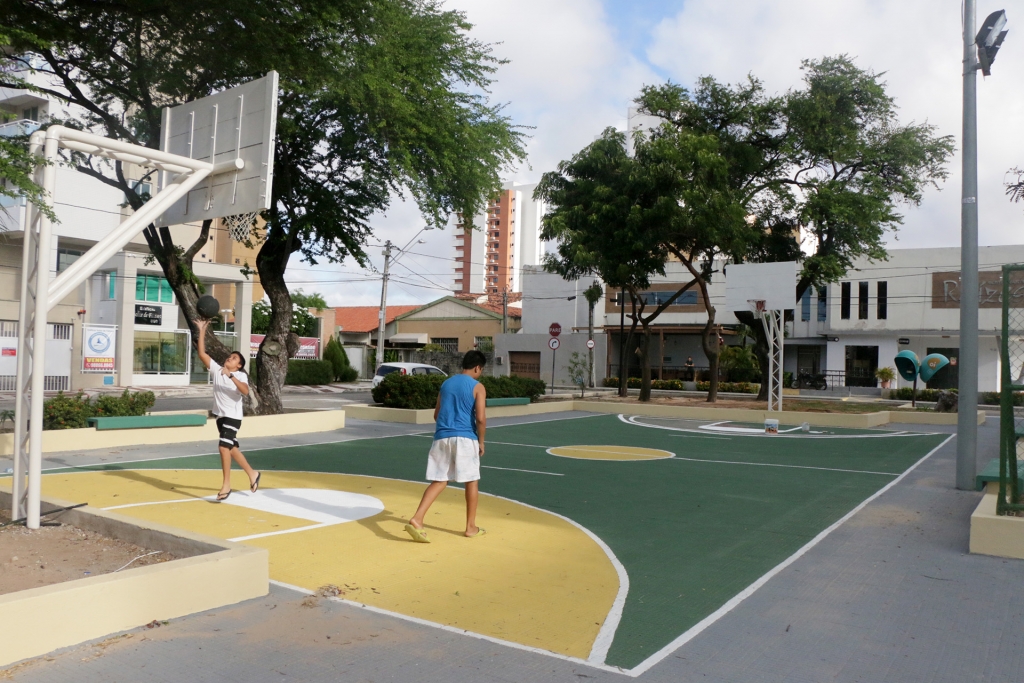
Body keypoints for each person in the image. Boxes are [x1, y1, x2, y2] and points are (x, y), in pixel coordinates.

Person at [405, 350, 487, 542]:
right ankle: (470, 527)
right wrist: (481, 442)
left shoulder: (446, 383)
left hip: (442, 436)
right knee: (472, 480)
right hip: (466, 438)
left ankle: (417, 518)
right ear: (477, 367)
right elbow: (481, 418)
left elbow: (436, 414)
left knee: (440, 480)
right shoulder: (478, 387)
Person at [195, 318, 260, 501]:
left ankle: (226, 485)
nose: (229, 358)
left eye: (233, 358)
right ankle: (253, 474)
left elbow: (245, 392)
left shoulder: (239, 375)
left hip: (233, 417)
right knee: (231, 449)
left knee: (223, 447)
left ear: (238, 365)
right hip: (220, 417)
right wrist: (201, 330)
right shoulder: (216, 370)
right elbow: (201, 353)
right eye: (229, 356)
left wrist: (230, 376)